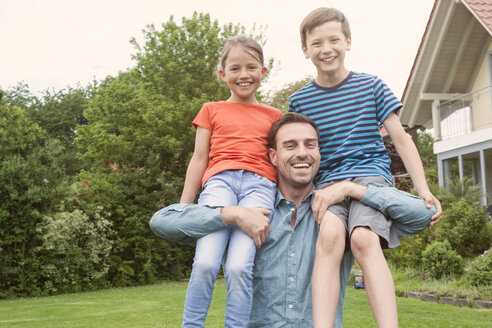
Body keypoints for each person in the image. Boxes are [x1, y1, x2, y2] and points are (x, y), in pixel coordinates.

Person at [150, 112, 439, 327]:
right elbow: (162, 222)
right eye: (290, 145)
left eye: (310, 145)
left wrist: (352, 189)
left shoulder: (339, 217)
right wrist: (232, 214)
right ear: (273, 156)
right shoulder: (249, 212)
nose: (302, 153)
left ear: (319, 153)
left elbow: (421, 214)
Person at [289, 8, 442, 328]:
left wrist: (423, 189)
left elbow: (401, 140)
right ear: (305, 50)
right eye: (316, 43)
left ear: (348, 41)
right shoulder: (300, 101)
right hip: (328, 183)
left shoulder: (371, 86)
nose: (326, 48)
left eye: (334, 40)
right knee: (329, 236)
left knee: (362, 238)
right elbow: (300, 154)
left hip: (370, 177)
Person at [178, 35, 282, 327]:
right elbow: (199, 159)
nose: (244, 75)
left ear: (263, 70)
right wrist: (184, 207)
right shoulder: (211, 110)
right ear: (223, 74)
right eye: (235, 68)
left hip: (259, 189)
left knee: (238, 267)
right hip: (219, 185)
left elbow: (279, 161)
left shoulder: (275, 117)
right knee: (207, 263)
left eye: (251, 67)